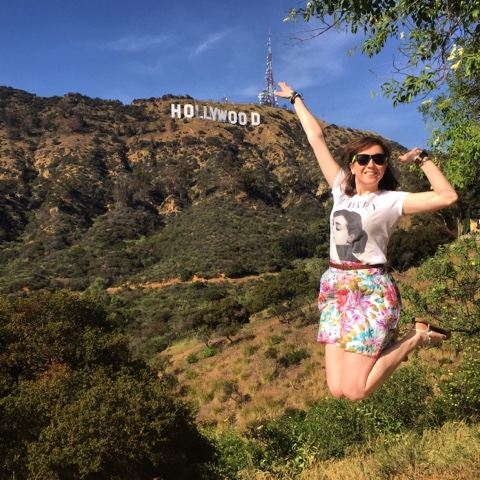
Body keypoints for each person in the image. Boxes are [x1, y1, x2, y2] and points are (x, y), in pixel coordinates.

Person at [274, 82, 458, 401]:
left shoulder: (392, 200)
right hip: (335, 287)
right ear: (352, 164)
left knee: (356, 390)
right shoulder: (339, 188)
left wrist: (422, 158)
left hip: (370, 290)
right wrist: (294, 98)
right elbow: (315, 137)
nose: (371, 164)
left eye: (379, 159)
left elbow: (447, 196)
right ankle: (415, 336)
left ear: (385, 166)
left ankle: (417, 335)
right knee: (337, 390)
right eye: (363, 159)